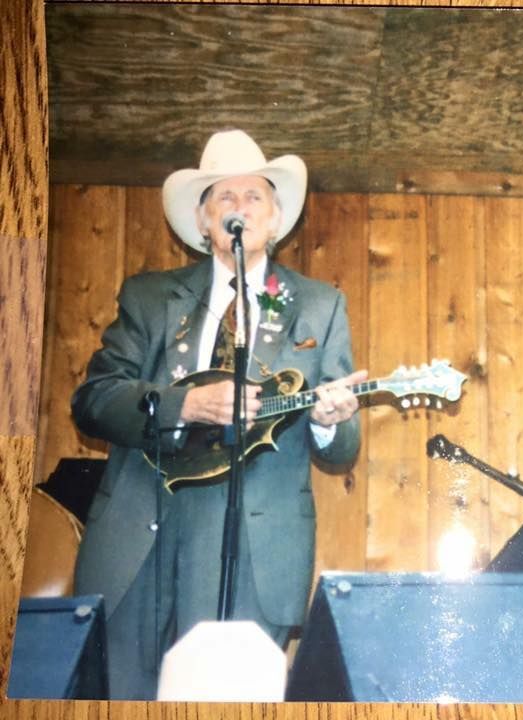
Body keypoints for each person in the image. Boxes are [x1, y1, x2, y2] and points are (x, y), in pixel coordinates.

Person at [71, 129, 365, 699]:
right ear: (203, 222)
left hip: (254, 544)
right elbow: (94, 399)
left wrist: (330, 421)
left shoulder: (321, 306)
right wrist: (184, 404)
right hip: (141, 529)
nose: (240, 208)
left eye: (254, 196)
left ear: (276, 221)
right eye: (224, 197)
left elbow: (343, 443)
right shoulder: (150, 297)